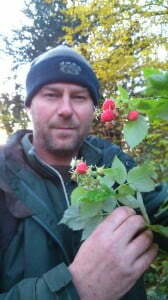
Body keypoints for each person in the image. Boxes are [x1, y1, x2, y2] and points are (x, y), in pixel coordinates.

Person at [0, 45, 167, 300]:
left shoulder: (112, 162)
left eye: (79, 97)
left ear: (94, 110)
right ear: (29, 106)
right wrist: (74, 289)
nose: (66, 109)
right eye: (51, 95)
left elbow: (159, 207)